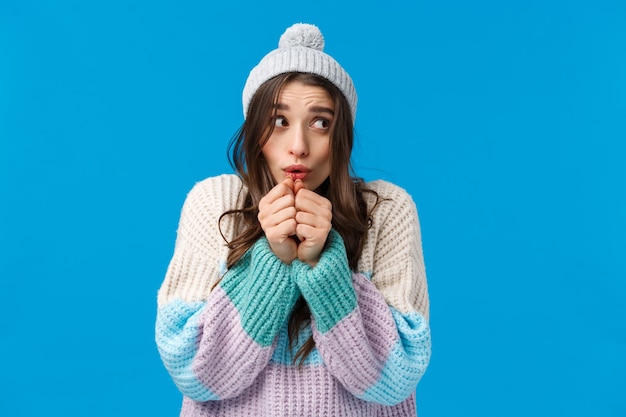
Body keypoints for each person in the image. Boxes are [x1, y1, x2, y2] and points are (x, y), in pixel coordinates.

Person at [155, 23, 431, 417]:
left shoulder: (386, 209)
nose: (298, 146)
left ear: (342, 135)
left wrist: (324, 263)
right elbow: (194, 373)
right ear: (254, 131)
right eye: (279, 120)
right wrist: (273, 259)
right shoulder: (215, 202)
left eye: (321, 122)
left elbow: (396, 380)